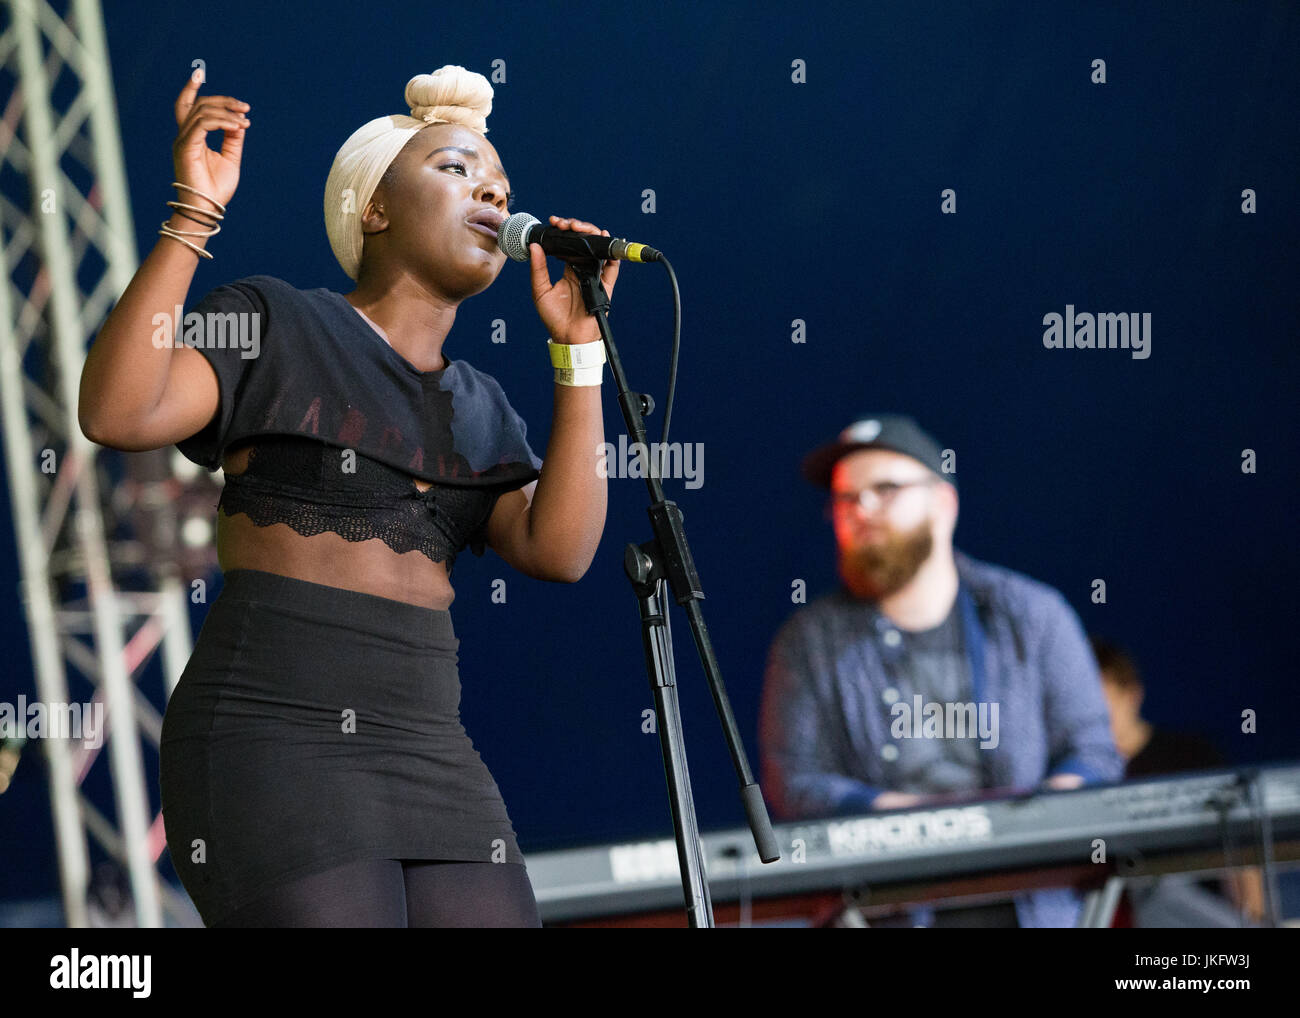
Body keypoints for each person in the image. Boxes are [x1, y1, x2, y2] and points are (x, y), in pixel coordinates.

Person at [77, 65, 619, 927]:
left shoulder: (480, 403)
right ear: (374, 209)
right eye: (454, 168)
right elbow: (118, 409)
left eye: (500, 184)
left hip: (430, 749)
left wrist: (579, 355)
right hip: (272, 733)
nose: (490, 189)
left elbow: (560, 552)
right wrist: (193, 215)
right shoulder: (276, 319)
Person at [759, 414, 1123, 927]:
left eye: (884, 489)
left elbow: (1093, 751)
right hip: (884, 909)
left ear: (943, 503)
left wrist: (1038, 817)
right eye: (846, 499)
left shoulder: (1033, 614)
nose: (861, 509)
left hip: (1029, 905)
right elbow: (794, 784)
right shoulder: (807, 641)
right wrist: (913, 821)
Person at [1091, 636, 1265, 924]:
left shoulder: (1190, 756)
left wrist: (1254, 920)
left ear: (1132, 695)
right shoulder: (1079, 774)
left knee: (1160, 889)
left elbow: (1242, 850)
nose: (1092, 715)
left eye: (1100, 701)